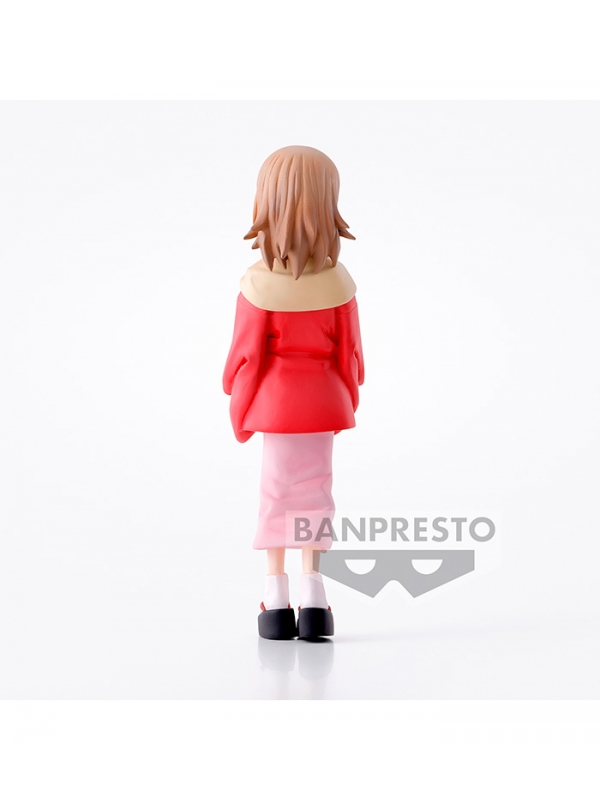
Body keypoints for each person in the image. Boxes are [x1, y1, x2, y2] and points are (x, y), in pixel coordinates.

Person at [223, 145, 364, 639]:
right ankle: (315, 595)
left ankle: (275, 596)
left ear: (269, 202)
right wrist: (346, 399)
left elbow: (244, 359)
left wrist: (240, 408)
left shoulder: (257, 286)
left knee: (276, 492)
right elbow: (351, 357)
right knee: (316, 490)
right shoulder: (339, 284)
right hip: (323, 402)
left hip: (275, 404)